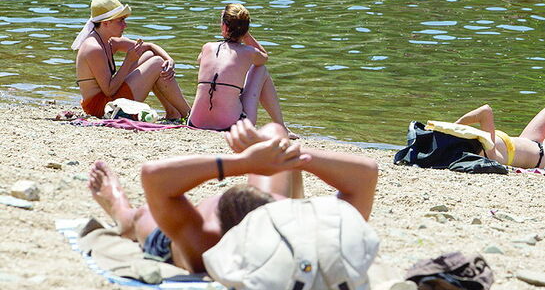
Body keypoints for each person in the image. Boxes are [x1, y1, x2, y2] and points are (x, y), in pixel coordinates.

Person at [87, 119, 378, 272]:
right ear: (278, 207)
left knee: (139, 218)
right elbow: (366, 174)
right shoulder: (308, 233)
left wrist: (244, 163)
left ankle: (119, 210)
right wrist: (277, 152)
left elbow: (153, 175)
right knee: (275, 132)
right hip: (272, 226)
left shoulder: (205, 243)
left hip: (174, 240)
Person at [73, 0, 189, 120]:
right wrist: (128, 61)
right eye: (120, 20)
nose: (125, 25)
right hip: (100, 107)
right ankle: (188, 114)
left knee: (150, 55)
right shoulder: (93, 48)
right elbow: (109, 90)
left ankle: (173, 112)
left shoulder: (109, 41)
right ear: (106, 23)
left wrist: (169, 60)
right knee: (156, 63)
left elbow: (148, 46)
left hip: (108, 99)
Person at [188, 4, 291, 134]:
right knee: (261, 69)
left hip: (196, 123)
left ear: (225, 26)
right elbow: (264, 58)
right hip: (232, 126)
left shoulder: (207, 47)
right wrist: (246, 36)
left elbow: (199, 61)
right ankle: (281, 126)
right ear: (245, 29)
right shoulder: (249, 52)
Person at [453, 97, 545, 168]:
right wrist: (456, 124)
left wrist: (454, 126)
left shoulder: (476, 144)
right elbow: (485, 111)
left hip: (527, 141)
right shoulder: (490, 154)